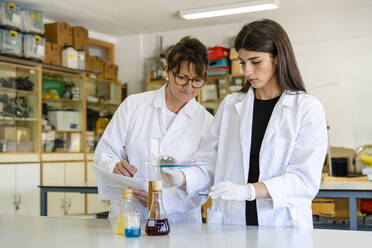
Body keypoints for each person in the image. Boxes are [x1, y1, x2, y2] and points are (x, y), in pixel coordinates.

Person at [162, 19, 328, 228]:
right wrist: (182, 177)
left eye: (255, 62)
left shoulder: (306, 108)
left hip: (281, 223)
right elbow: (210, 160)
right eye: (242, 62)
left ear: (277, 58)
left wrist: (249, 191)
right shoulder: (232, 105)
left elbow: (303, 179)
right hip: (231, 221)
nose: (246, 71)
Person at [94, 37, 213, 223]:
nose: (189, 87)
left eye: (197, 80)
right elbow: (104, 154)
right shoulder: (133, 105)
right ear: (168, 71)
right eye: (182, 78)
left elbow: (207, 175)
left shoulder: (207, 122)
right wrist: (114, 167)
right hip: (129, 214)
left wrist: (166, 196)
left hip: (179, 221)